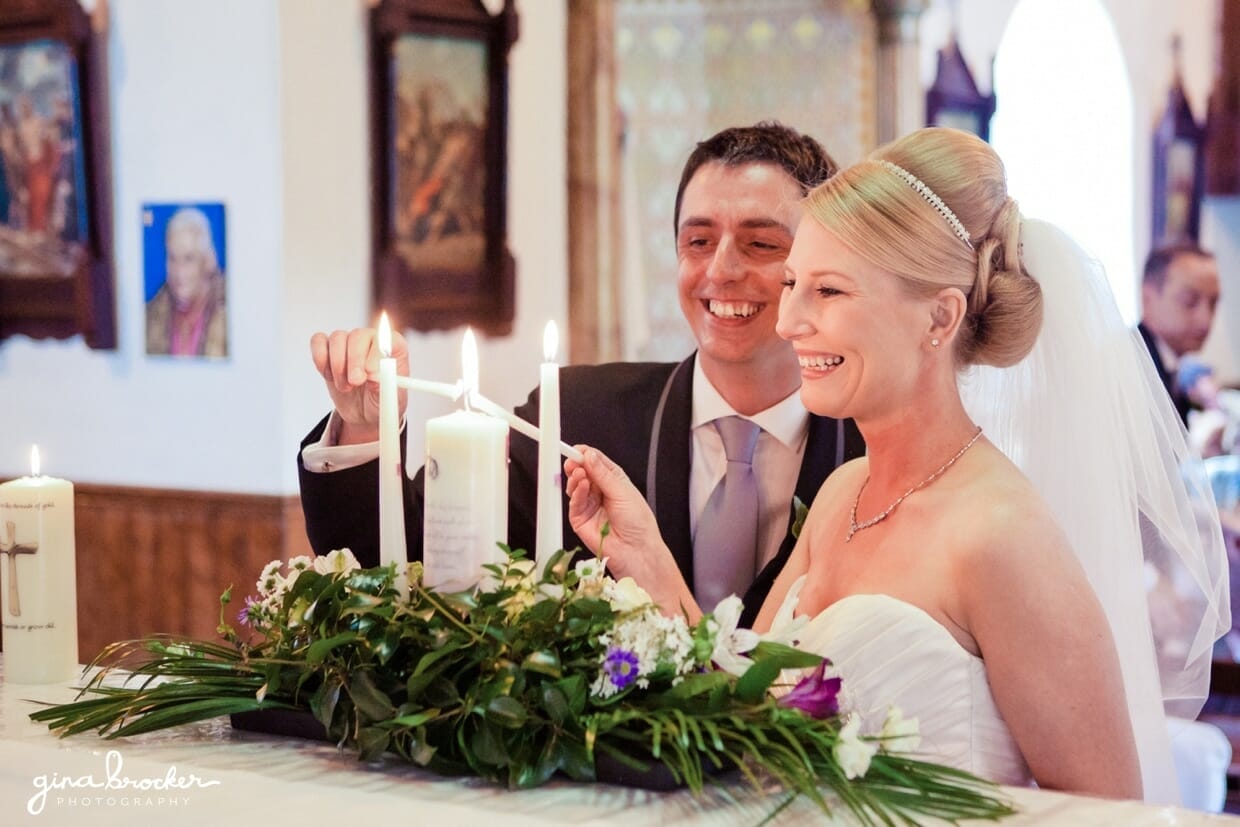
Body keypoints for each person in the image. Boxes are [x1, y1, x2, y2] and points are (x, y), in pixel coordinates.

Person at [563, 127, 1230, 804]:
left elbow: (1106, 812)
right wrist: (645, 557)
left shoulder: (1001, 534)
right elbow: (743, 712)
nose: (789, 320)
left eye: (828, 291)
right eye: (792, 283)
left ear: (938, 318)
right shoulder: (843, 491)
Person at [298, 122, 865, 624]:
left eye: (760, 243)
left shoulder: (871, 450)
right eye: (698, 241)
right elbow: (398, 561)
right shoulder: (577, 416)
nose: (720, 269)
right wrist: (365, 429)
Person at [1138, 242, 1222, 426]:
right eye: (1190, 301)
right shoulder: (1134, 369)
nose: (1205, 319)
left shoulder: (1172, 365)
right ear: (1148, 298)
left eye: (1213, 303)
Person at [145, 206, 228, 358]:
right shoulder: (148, 318)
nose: (179, 272)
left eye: (188, 259)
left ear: (208, 261)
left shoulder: (231, 313)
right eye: (173, 258)